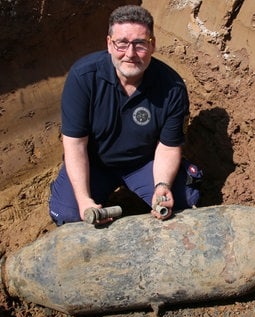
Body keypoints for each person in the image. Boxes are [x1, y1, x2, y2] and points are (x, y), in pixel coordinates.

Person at [48, 5, 202, 226]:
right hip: (95, 164)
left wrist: (162, 186)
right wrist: (83, 200)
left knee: (183, 201)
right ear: (109, 44)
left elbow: (168, 147)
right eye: (122, 43)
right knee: (69, 216)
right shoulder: (83, 77)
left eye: (140, 44)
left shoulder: (172, 87)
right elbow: (75, 145)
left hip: (143, 164)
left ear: (153, 45)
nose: (130, 54)